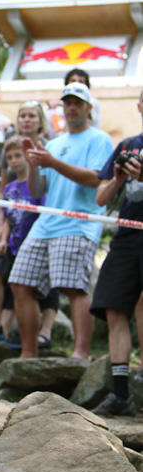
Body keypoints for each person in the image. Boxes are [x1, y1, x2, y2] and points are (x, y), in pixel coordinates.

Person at [8, 81, 113, 358]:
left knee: (74, 286)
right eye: (67, 102)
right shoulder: (54, 143)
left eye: (77, 102)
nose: (71, 107)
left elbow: (96, 179)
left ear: (89, 108)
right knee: (20, 282)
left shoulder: (99, 139)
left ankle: (80, 354)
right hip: (46, 223)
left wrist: (52, 162)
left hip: (79, 223)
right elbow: (38, 190)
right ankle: (28, 355)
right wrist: (33, 164)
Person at [0, 135, 58, 348]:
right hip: (14, 244)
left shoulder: (38, 185)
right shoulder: (10, 188)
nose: (13, 160)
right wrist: (3, 239)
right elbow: (9, 218)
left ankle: (42, 332)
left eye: (17, 155)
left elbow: (45, 213)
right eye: (9, 157)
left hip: (37, 243)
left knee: (42, 290)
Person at [90, 90, 143, 416]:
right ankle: (120, 394)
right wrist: (121, 176)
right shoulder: (126, 145)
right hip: (126, 233)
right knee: (113, 308)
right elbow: (101, 198)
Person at [46, 68, 101, 136]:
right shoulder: (57, 106)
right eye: (73, 81)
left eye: (80, 82)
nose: (76, 84)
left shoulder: (92, 102)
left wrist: (59, 103)